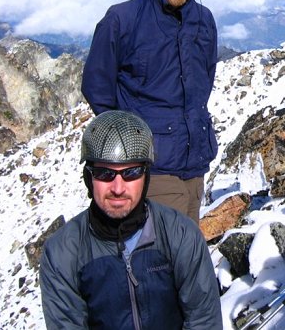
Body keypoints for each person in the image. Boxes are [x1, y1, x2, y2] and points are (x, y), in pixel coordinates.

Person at [82, 0, 218, 222]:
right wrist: (128, 139)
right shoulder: (122, 19)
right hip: (152, 166)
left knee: (187, 249)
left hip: (195, 162)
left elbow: (205, 77)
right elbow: (96, 84)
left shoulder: (203, 20)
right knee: (163, 255)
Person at [39, 111, 223, 329]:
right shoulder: (62, 253)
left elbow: (203, 321)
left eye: (131, 172)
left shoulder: (181, 234)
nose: (118, 188)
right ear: (89, 178)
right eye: (105, 173)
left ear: (146, 176)